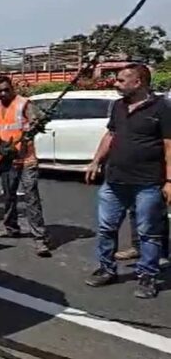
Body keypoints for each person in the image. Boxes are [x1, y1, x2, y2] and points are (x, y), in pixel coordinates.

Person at [84, 64, 171, 299]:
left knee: (148, 233)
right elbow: (110, 135)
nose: (116, 83)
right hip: (114, 181)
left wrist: (169, 181)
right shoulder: (118, 106)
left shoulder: (162, 108)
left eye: (122, 80)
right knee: (106, 228)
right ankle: (106, 269)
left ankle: (147, 277)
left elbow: (168, 145)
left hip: (147, 183)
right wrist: (95, 161)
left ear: (138, 82)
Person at [0, 76, 52, 257]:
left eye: (7, 90)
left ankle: (40, 239)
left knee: (31, 198)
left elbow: (37, 121)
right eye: (0, 91)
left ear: (12, 88)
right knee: (9, 195)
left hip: (26, 158)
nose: (4, 93)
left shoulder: (24, 104)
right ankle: (11, 228)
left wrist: (36, 126)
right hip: (5, 158)